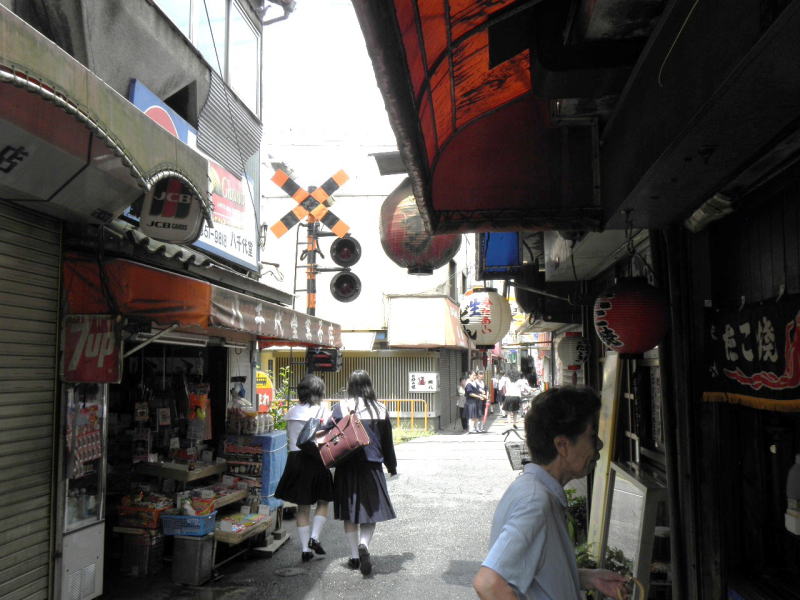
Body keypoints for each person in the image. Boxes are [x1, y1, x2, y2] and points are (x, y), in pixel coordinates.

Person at [473, 386, 629, 600]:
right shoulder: (535, 502)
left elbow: (532, 572)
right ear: (562, 445)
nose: (599, 446)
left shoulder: (533, 489)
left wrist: (587, 578)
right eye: (592, 436)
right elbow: (489, 583)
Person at [331, 370, 397, 576]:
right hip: (372, 467)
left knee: (349, 513)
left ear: (350, 385)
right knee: (371, 511)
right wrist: (391, 466)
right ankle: (364, 545)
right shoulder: (380, 409)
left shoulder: (340, 407)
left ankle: (353, 556)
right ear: (369, 385)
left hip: (345, 467)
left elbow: (328, 433)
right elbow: (387, 443)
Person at [274, 374, 334, 563]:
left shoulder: (291, 412)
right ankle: (315, 537)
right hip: (316, 459)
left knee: (302, 506)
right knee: (323, 501)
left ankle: (305, 549)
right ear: (319, 391)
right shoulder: (323, 411)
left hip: (295, 461)